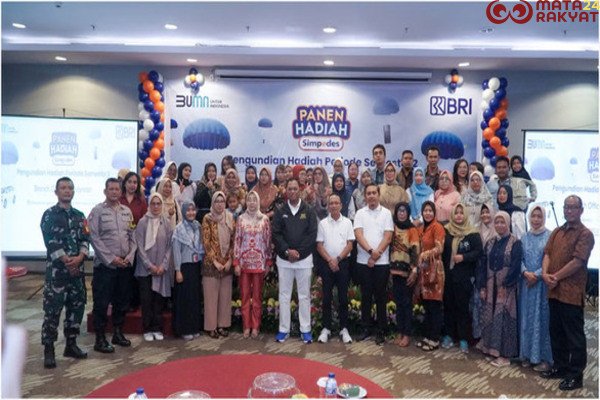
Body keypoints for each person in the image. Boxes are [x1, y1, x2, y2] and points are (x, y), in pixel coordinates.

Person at [541, 195, 595, 391]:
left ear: (581, 210)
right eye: (566, 207)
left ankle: (575, 376)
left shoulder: (585, 234)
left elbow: (578, 262)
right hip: (554, 291)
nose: (569, 210)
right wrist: (545, 274)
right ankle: (560, 367)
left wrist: (555, 276)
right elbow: (547, 253)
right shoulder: (557, 231)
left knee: (574, 336)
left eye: (573, 207)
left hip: (571, 293)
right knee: (556, 332)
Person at [40, 177, 90, 368]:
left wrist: (80, 257)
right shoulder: (49, 215)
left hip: (76, 272)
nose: (67, 190)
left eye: (70, 188)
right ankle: (49, 349)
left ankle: (71, 344)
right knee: (52, 310)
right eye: (63, 188)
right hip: (57, 274)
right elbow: (50, 241)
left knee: (76, 307)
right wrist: (66, 260)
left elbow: (85, 238)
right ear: (56, 192)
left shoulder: (79, 215)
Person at [88, 178, 136, 353]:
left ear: (121, 192)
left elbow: (133, 236)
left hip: (124, 266)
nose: (114, 192)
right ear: (105, 191)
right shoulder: (97, 211)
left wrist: (129, 257)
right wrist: (111, 258)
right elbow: (94, 237)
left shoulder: (127, 212)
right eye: (111, 189)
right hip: (105, 266)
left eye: (117, 189)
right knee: (101, 303)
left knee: (121, 301)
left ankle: (117, 333)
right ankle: (100, 338)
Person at [272, 178, 318, 343]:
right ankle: (283, 329)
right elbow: (276, 234)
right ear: (286, 191)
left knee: (304, 295)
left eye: (295, 188)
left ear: (300, 190)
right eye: (289, 189)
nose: (292, 191)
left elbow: (312, 234)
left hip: (304, 260)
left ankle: (305, 329)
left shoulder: (309, 210)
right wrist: (287, 251)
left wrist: (298, 253)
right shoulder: (280, 211)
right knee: (284, 295)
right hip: (284, 260)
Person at [476, 211, 523, 367]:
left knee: (505, 318)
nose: (499, 225)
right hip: (491, 286)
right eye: (497, 222)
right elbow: (483, 264)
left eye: (503, 222)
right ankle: (492, 350)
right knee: (490, 317)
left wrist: (506, 284)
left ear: (508, 223)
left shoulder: (515, 242)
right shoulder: (490, 242)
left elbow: (516, 266)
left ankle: (505, 355)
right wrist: (482, 286)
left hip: (506, 288)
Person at [353, 183, 394, 345]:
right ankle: (365, 328)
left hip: (382, 263)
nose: (371, 196)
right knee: (366, 296)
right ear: (365, 196)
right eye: (368, 193)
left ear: (378, 195)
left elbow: (388, 237)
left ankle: (381, 330)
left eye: (373, 193)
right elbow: (358, 235)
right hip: (363, 261)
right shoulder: (360, 213)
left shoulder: (386, 213)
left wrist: (376, 255)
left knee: (381, 296)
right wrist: (371, 252)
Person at [441, 203, 482, 353]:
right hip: (448, 276)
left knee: (463, 308)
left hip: (464, 277)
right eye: (456, 213)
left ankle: (463, 338)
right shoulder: (446, 231)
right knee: (448, 306)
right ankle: (449, 335)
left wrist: (464, 257)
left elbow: (478, 252)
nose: (459, 216)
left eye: (461, 213)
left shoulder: (472, 233)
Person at [133, 193, 173, 342]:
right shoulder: (143, 222)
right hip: (146, 269)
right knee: (147, 300)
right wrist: (149, 266)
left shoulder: (166, 222)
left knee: (158, 300)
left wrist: (163, 265)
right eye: (153, 204)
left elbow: (170, 246)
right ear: (149, 205)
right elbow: (139, 246)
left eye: (158, 203)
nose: (156, 206)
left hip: (161, 269)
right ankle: (147, 328)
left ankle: (157, 328)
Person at [316, 194, 355, 344]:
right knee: (326, 298)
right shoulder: (323, 223)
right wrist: (330, 260)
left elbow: (350, 245)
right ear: (328, 206)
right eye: (331, 203)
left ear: (341, 205)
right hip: (327, 264)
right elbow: (319, 245)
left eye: (336, 203)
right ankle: (326, 328)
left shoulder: (347, 222)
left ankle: (344, 329)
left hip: (342, 263)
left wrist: (337, 259)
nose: (333, 205)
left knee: (343, 298)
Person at [233, 191, 272, 338]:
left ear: (258, 202)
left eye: (254, 200)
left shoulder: (264, 220)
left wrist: (268, 262)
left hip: (259, 263)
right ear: (246, 202)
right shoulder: (241, 219)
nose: (251, 203)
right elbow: (237, 240)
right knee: (244, 296)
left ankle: (255, 326)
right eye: (249, 200)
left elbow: (268, 242)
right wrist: (236, 262)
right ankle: (246, 326)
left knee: (256, 297)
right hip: (244, 264)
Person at [519, 205, 553, 372]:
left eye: (539, 216)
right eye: (533, 216)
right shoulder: (524, 237)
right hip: (526, 284)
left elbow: (551, 259)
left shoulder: (550, 236)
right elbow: (519, 259)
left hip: (541, 285)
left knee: (541, 320)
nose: (536, 219)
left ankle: (542, 358)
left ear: (544, 218)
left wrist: (537, 275)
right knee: (526, 319)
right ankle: (526, 354)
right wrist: (526, 273)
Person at [201, 191, 235, 338]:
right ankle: (211, 327)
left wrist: (230, 261)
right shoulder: (207, 218)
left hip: (226, 263)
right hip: (211, 264)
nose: (220, 204)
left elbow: (234, 241)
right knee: (211, 297)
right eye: (217, 201)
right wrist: (215, 262)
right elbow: (206, 242)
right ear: (213, 203)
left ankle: (222, 325)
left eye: (222, 201)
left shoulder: (230, 217)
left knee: (225, 297)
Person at [415, 201, 446, 351]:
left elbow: (439, 248)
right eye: (425, 211)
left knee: (435, 305)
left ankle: (434, 339)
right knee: (427, 305)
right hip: (424, 270)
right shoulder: (421, 228)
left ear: (434, 212)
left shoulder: (437, 227)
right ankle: (427, 336)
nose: (427, 213)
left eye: (430, 211)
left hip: (435, 270)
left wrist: (424, 254)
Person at [172, 201, 204, 340]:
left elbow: (201, 246)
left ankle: (194, 327)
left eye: (193, 210)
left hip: (195, 266)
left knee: (194, 299)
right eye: (188, 210)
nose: (191, 213)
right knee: (184, 299)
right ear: (184, 212)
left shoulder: (198, 226)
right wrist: (177, 270)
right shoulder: (179, 229)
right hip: (184, 268)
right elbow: (176, 251)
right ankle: (185, 329)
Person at [390, 202, 419, 347]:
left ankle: (407, 334)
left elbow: (415, 250)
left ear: (408, 213)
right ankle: (400, 332)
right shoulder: (392, 227)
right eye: (399, 211)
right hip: (394, 271)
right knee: (398, 303)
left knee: (407, 304)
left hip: (407, 272)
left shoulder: (412, 229)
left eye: (404, 211)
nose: (401, 213)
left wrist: (414, 270)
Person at [119, 171, 147, 311]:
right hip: (121, 240)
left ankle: (134, 302)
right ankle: (121, 301)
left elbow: (145, 220)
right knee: (122, 274)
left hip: (137, 240)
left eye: (135, 182)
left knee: (134, 271)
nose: (132, 185)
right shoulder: (118, 199)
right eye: (129, 182)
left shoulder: (141, 200)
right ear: (124, 183)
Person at [472, 204, 497, 340]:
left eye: (487, 212)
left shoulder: (497, 230)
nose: (485, 215)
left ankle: (491, 338)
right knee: (478, 304)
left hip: (493, 273)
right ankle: (479, 337)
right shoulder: (476, 230)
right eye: (482, 212)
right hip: (479, 271)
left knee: (491, 304)